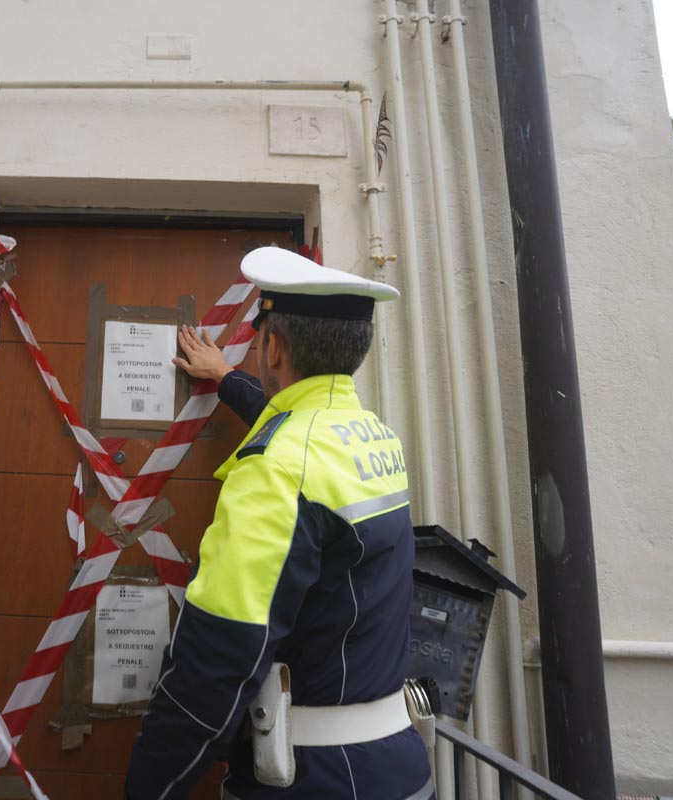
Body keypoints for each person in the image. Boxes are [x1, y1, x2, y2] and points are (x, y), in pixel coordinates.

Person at [126, 247, 433, 799]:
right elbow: (291, 422)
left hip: (316, 780)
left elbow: (215, 666)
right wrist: (227, 378)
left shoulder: (277, 469)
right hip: (397, 769)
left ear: (272, 347)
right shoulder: (371, 435)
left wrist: (148, 789)